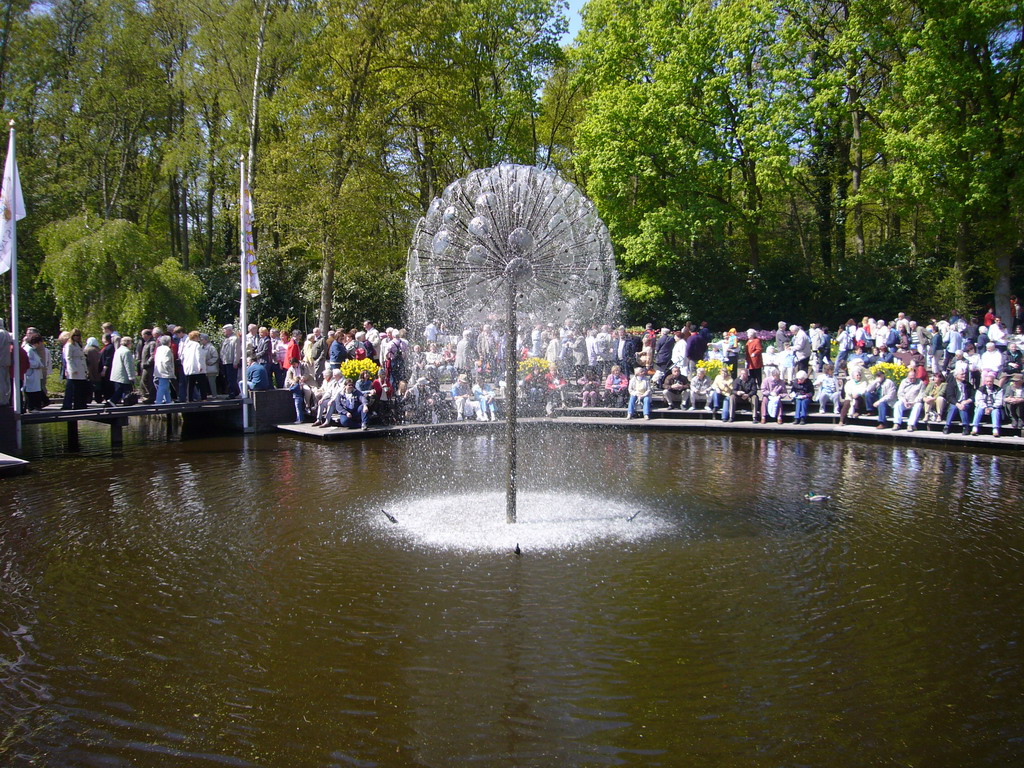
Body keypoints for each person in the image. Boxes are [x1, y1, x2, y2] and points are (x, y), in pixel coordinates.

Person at [892, 367, 926, 432]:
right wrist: (904, 401)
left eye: (913, 378)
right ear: (908, 377)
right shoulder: (903, 382)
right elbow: (900, 393)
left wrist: (914, 402)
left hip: (914, 402)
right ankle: (896, 423)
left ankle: (910, 424)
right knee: (897, 404)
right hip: (905, 402)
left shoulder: (920, 383)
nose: (912, 379)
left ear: (916, 376)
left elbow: (921, 395)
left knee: (918, 405)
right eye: (910, 378)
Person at [63, 329, 89, 410]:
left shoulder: (78, 345)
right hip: (74, 368)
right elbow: (68, 358)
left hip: (81, 367)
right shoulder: (69, 345)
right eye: (74, 335)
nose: (76, 337)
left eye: (78, 335)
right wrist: (72, 369)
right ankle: (67, 405)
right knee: (71, 388)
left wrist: (86, 369)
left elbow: (83, 358)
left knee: (80, 388)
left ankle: (80, 404)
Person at [943, 369, 975, 435]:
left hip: (965, 402)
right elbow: (950, 397)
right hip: (955, 402)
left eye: (964, 374)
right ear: (956, 376)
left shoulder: (968, 384)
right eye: (962, 374)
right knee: (953, 407)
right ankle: (947, 426)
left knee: (963, 407)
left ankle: (965, 427)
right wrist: (957, 404)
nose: (964, 375)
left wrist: (967, 401)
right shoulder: (951, 385)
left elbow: (974, 395)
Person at [971, 371, 1003, 436]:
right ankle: (975, 428)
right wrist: (985, 408)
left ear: (993, 381)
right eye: (987, 382)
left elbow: (999, 401)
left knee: (996, 411)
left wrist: (991, 408)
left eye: (990, 381)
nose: (989, 383)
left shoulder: (998, 389)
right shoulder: (980, 390)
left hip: (994, 407)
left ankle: (995, 429)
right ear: (985, 382)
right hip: (983, 406)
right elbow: (979, 401)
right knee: (979, 409)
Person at [21, 332, 47, 411]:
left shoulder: (32, 349)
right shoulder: (29, 350)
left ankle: (34, 407)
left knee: (34, 390)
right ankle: (31, 407)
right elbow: (28, 361)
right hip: (31, 372)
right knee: (31, 392)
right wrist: (38, 365)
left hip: (34, 373)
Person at [109, 336, 136, 405]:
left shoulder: (118, 350)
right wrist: (131, 376)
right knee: (126, 391)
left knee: (119, 390)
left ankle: (113, 402)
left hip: (117, 375)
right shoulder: (126, 352)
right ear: (128, 343)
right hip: (123, 375)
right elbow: (128, 365)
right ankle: (115, 401)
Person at [154, 336, 175, 404]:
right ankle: (158, 402)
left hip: (158, 370)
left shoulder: (159, 348)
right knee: (163, 387)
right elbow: (166, 361)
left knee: (166, 386)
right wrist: (170, 371)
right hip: (164, 371)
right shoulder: (167, 349)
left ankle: (168, 401)